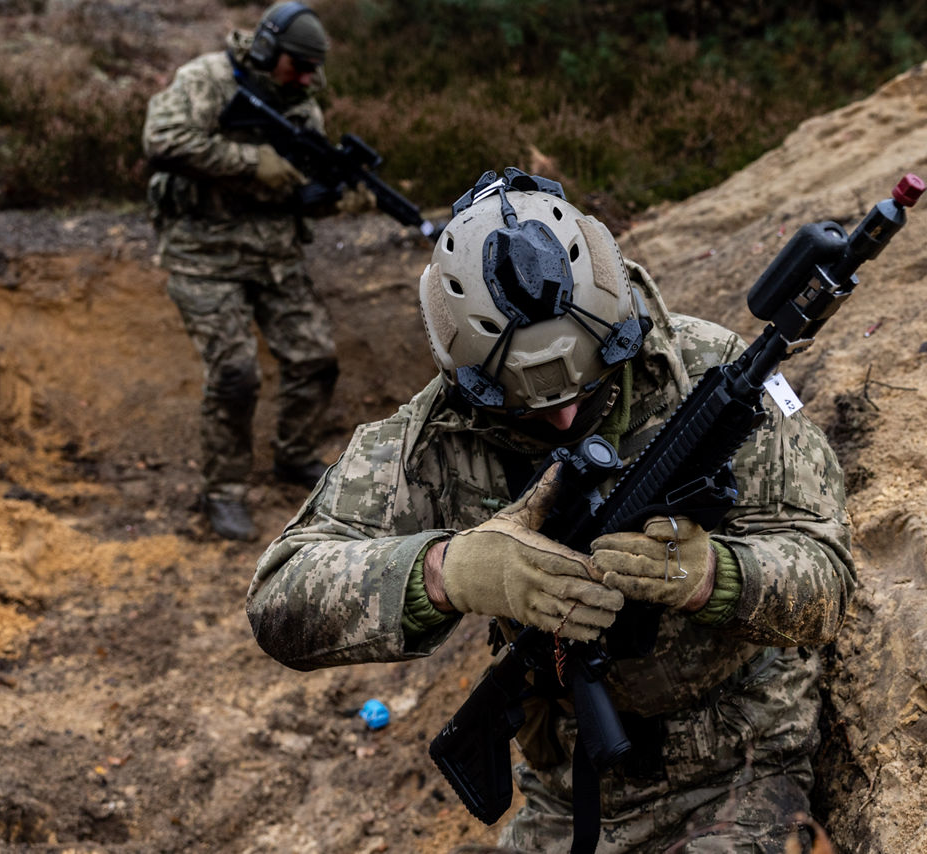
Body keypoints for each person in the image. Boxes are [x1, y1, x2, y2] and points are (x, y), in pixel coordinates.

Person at [246, 169, 856, 852]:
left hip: (741, 759)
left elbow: (827, 584)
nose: (566, 414)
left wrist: (713, 575)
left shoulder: (707, 373)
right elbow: (278, 601)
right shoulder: (436, 437)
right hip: (573, 781)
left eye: (588, 386)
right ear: (463, 374)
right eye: (525, 405)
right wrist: (449, 571)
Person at [143, 2, 356, 540]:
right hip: (203, 257)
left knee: (316, 360)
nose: (309, 77)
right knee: (236, 375)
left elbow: (297, 192)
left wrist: (324, 192)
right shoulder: (205, 79)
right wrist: (249, 162)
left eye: (313, 67)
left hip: (275, 258)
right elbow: (161, 141)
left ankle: (294, 455)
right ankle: (224, 491)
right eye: (299, 65)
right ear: (267, 50)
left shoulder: (302, 105)